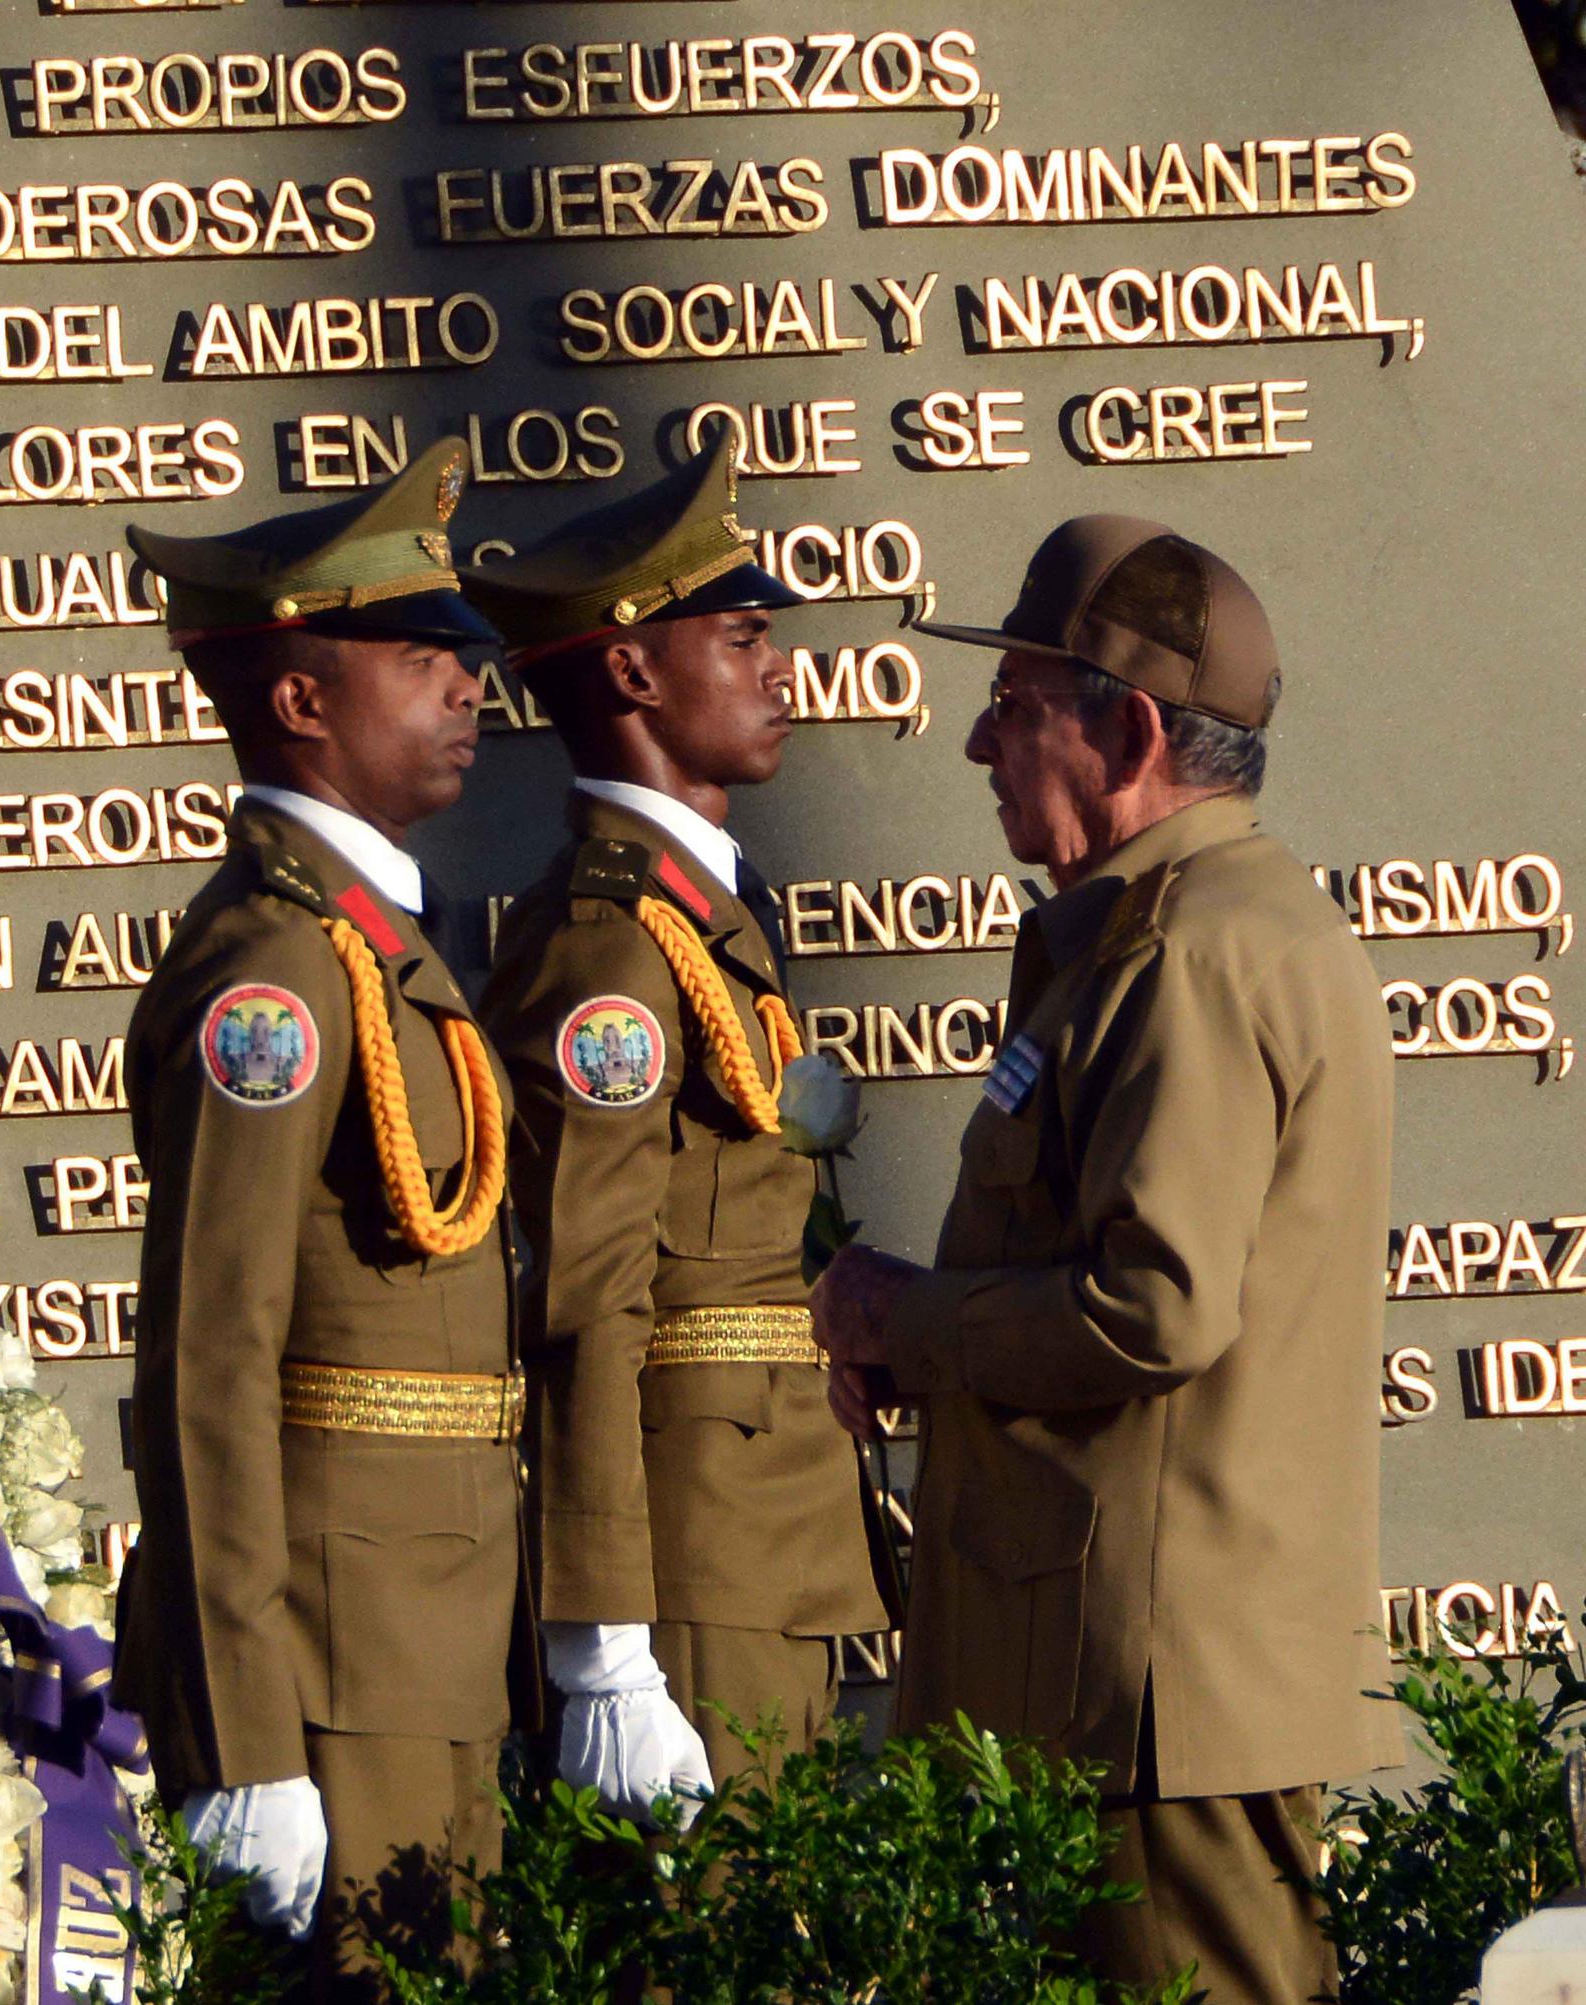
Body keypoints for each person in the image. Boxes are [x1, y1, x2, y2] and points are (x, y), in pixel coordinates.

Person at [809, 516, 1398, 2005]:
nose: (976, 747)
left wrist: (909, 1318)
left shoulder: (1191, 951)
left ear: (1127, 726)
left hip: (1154, 1705)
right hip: (1114, 1684)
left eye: (1013, 705)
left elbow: (1157, 1306)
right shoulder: (1159, 931)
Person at [111, 439, 532, 1999]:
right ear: (300, 702)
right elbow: (210, 1358)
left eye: (464, 659)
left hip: (421, 1645)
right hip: (331, 1672)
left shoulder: (371, 944)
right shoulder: (280, 978)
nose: (465, 688)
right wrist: (246, 1734)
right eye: (422, 659)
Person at [464, 429, 890, 1805]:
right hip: (690, 1554)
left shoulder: (702, 913)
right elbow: (588, 1294)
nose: (779, 670)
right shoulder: (610, 945)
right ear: (635, 669)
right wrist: (607, 1649)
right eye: (745, 633)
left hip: (770, 1527)